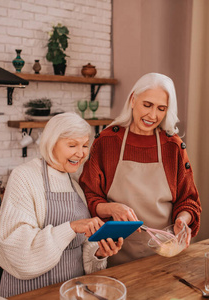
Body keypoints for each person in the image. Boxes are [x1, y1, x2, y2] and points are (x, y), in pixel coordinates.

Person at [0, 112, 123, 298]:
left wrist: (100, 253)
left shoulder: (75, 186)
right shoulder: (24, 177)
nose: (81, 153)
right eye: (72, 145)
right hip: (29, 293)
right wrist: (71, 227)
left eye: (85, 145)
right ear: (51, 144)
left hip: (71, 292)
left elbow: (83, 249)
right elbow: (17, 251)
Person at [79, 72, 202, 266]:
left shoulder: (174, 147)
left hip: (165, 254)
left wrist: (182, 221)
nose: (152, 115)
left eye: (161, 109)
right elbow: (89, 196)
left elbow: (188, 200)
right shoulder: (107, 141)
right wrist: (113, 208)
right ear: (132, 99)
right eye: (147, 105)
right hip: (115, 254)